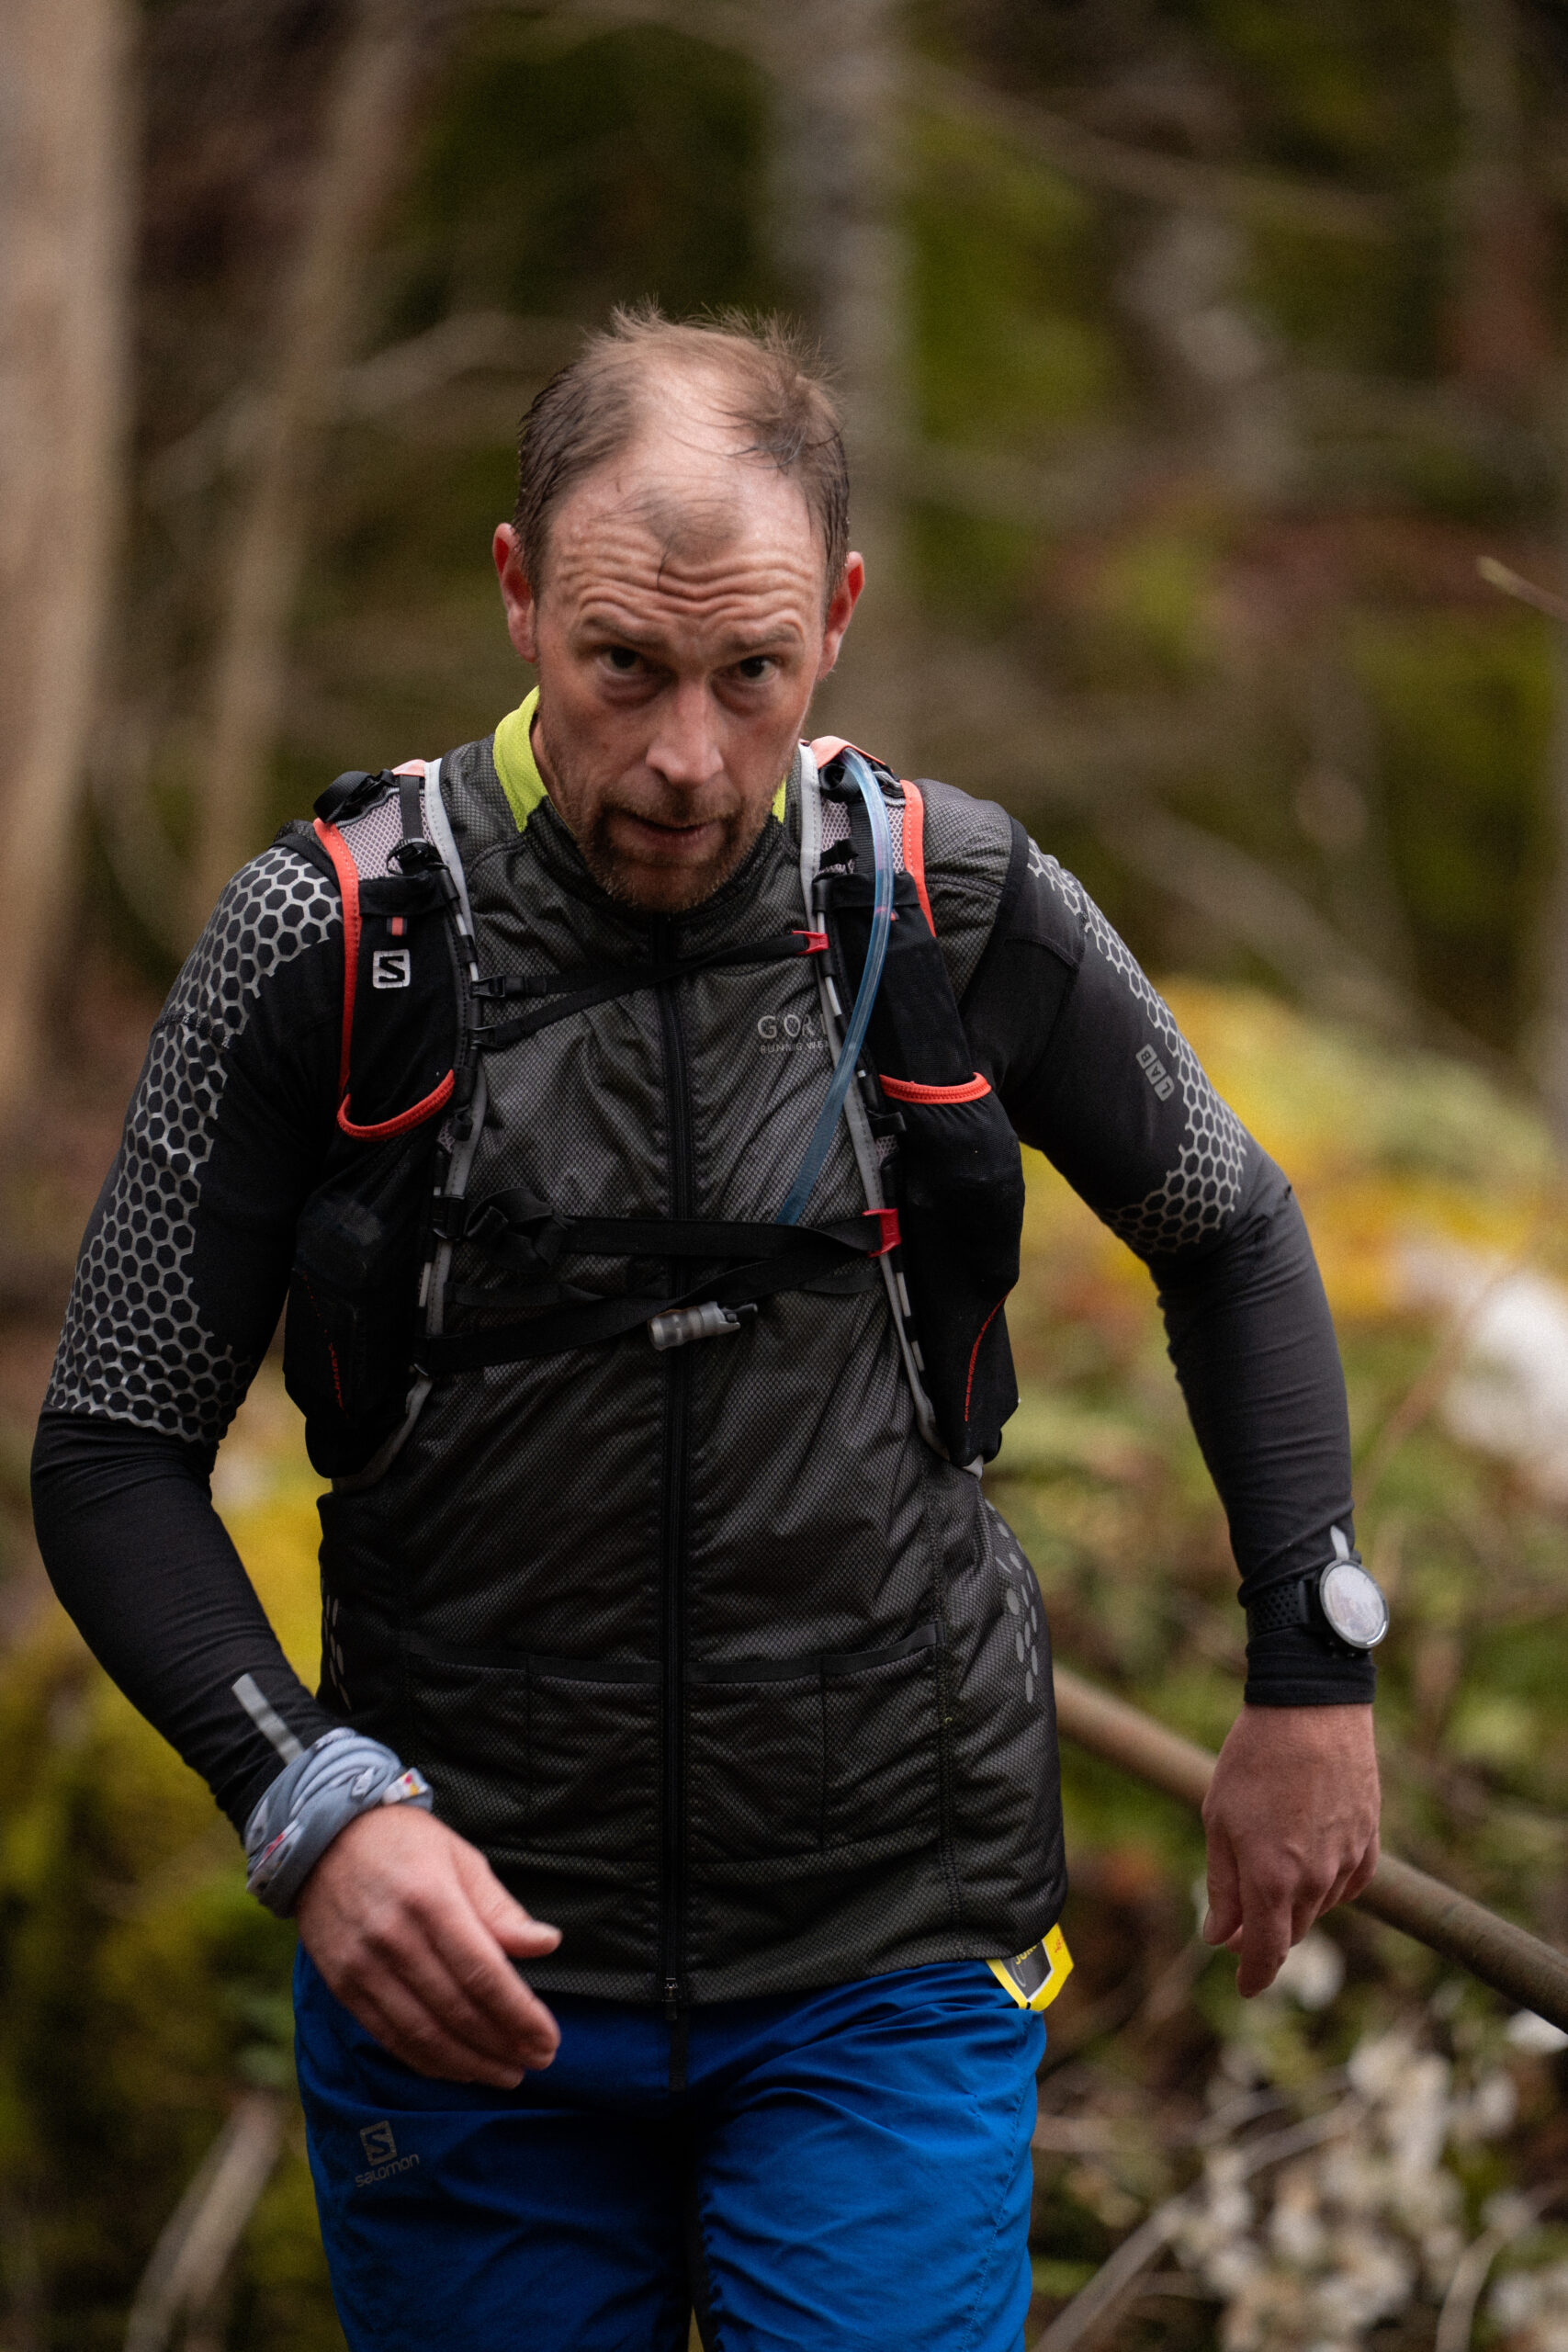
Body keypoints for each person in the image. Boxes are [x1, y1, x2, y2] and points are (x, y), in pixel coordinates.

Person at [32, 306, 1381, 2352]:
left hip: (889, 1946)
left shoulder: (946, 898)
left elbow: (1233, 1225)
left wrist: (1310, 1659)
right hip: (471, 1969)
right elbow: (113, 1445)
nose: (685, 757)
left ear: (835, 617)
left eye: (751, 673)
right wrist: (305, 1800)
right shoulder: (330, 934)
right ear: (517, 594)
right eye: (622, 667)